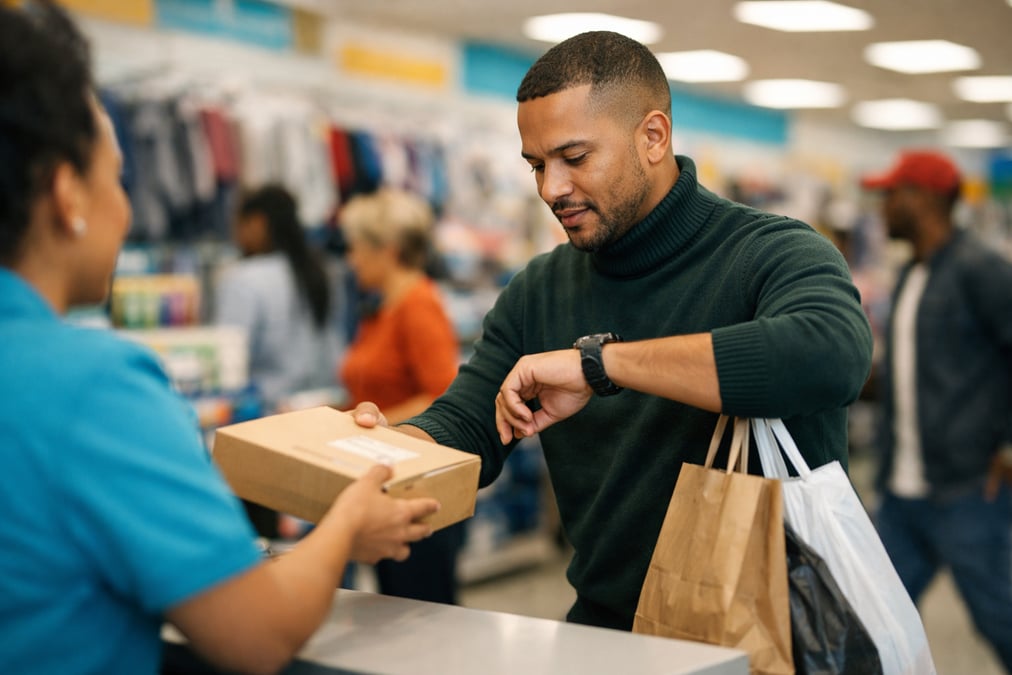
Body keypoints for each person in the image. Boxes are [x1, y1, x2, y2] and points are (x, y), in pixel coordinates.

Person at [351, 30, 874, 631]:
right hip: (609, 629)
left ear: (653, 137)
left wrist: (598, 364)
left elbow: (830, 355)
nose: (551, 189)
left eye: (575, 159)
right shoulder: (539, 288)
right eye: (537, 165)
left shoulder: (771, 252)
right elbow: (470, 422)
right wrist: (387, 447)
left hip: (771, 634)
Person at [0, 4, 439, 674]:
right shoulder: (92, 386)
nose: (126, 206)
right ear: (68, 194)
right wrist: (347, 520)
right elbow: (257, 633)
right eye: (117, 176)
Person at [861, 150, 1012, 671]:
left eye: (890, 196)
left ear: (921, 200)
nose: (881, 209)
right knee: (872, 626)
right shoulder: (911, 275)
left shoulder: (981, 270)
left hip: (968, 490)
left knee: (1002, 621)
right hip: (902, 496)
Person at [339, 188, 465, 604]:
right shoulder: (382, 309)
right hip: (387, 480)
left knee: (418, 610)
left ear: (386, 250)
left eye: (357, 248)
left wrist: (374, 425)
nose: (351, 259)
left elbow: (443, 394)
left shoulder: (418, 305)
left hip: (417, 486)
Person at [214, 183, 343, 414]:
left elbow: (228, 363)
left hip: (266, 414)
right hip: (324, 407)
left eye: (238, 225)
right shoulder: (321, 271)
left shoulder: (243, 279)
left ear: (257, 223)